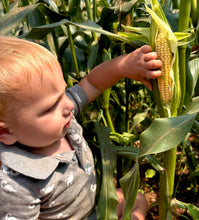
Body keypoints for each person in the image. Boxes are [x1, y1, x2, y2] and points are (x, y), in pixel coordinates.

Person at [0, 36, 162, 219]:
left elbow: (91, 83)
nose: (68, 105)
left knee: (136, 198)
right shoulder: (15, 186)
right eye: (51, 107)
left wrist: (122, 66)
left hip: (92, 206)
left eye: (63, 93)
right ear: (5, 132)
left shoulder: (60, 119)